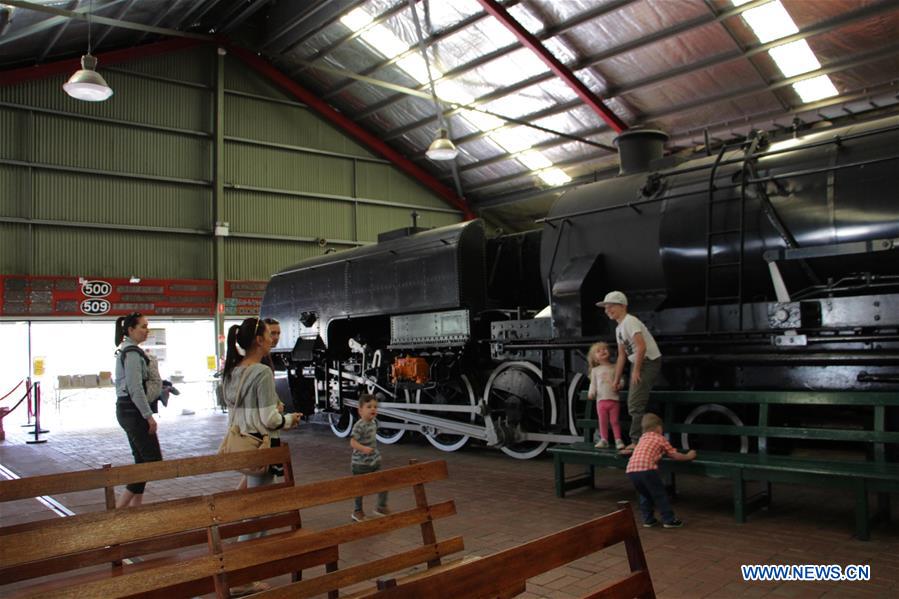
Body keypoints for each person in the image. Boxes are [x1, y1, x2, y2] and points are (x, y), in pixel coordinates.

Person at [597, 290, 662, 452]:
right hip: (639, 362)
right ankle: (639, 440)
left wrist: (636, 371)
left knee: (635, 404)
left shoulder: (630, 321)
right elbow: (621, 356)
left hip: (648, 361)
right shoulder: (619, 329)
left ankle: (636, 442)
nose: (607, 310)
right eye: (605, 307)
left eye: (611, 306)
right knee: (634, 402)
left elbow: (641, 346)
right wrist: (616, 379)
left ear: (623, 306)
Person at [113, 312, 161, 508]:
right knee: (152, 461)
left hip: (128, 411)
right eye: (142, 326)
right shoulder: (132, 353)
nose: (146, 330)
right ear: (130, 330)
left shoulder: (129, 351)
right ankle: (119, 509)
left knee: (142, 461)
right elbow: (135, 388)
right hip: (133, 412)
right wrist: (148, 417)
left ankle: (135, 509)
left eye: (147, 326)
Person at [626, 413, 696, 528]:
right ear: (658, 428)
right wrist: (689, 456)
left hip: (631, 470)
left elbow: (645, 454)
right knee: (660, 494)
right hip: (647, 470)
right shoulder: (660, 438)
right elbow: (674, 455)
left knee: (645, 494)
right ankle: (669, 519)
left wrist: (658, 456)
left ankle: (648, 519)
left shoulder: (642, 439)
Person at [350, 394, 389, 522]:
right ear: (360, 410)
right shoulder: (359, 425)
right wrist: (363, 449)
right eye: (369, 407)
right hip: (360, 463)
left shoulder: (373, 423)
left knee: (383, 482)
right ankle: (357, 511)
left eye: (375, 407)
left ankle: (381, 507)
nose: (373, 409)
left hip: (374, 461)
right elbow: (352, 442)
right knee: (359, 488)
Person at [587, 342, 624, 450]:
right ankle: (604, 440)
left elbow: (621, 380)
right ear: (595, 358)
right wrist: (591, 393)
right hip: (601, 401)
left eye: (604, 349)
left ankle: (618, 439)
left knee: (614, 421)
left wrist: (619, 385)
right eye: (598, 351)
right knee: (602, 421)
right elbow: (593, 384)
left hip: (614, 400)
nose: (603, 351)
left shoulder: (615, 367)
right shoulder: (595, 370)